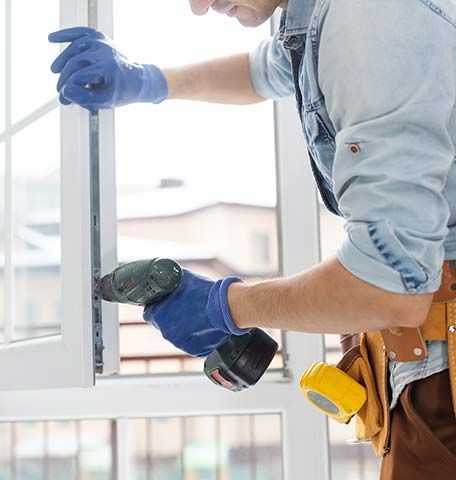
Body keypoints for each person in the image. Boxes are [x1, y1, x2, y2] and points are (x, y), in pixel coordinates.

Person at [49, 0, 456, 477]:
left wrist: (226, 305)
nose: (200, 8)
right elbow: (264, 70)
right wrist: (148, 80)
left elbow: (391, 287)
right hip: (421, 372)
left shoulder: (373, 17)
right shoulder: (318, 16)